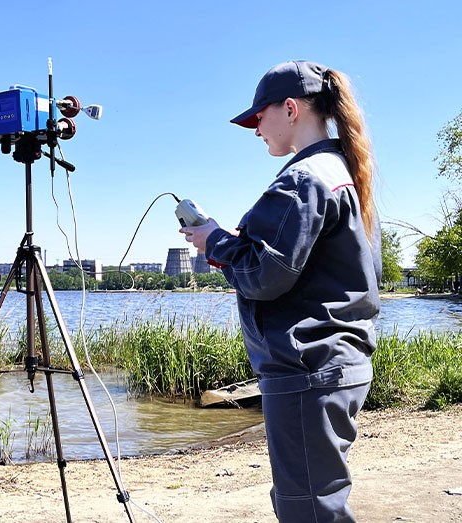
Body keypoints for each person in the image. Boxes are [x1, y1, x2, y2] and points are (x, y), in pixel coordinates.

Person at [180, 60, 381, 522]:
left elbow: (264, 278)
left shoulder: (302, 179)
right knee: (317, 498)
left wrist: (215, 242)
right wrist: (230, 243)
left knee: (306, 508)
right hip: (335, 363)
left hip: (307, 370)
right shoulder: (343, 172)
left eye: (258, 117)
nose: (254, 130)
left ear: (290, 109)